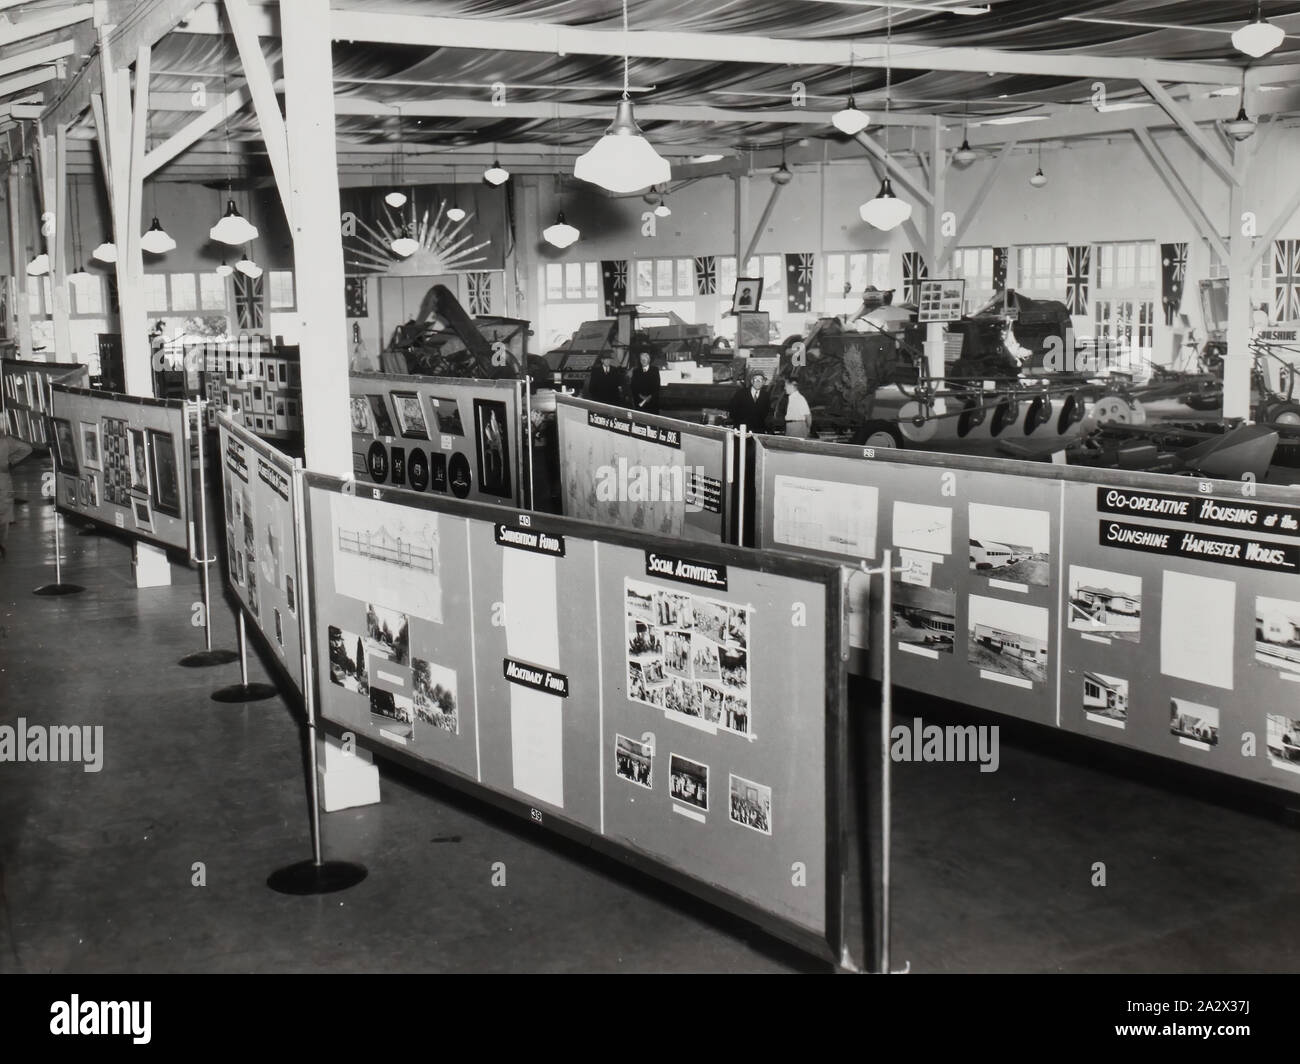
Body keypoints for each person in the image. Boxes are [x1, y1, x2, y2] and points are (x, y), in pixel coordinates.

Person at [0, 430, 34, 560]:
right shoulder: (6, 440)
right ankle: (1, 545)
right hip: (3, 478)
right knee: (5, 512)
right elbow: (27, 448)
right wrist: (11, 461)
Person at [627, 349, 661, 415]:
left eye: (645, 358)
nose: (643, 360)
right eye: (641, 359)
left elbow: (657, 386)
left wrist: (649, 397)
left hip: (652, 403)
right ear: (640, 361)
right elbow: (633, 386)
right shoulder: (636, 371)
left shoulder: (655, 370)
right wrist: (641, 396)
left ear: (649, 360)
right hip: (640, 403)